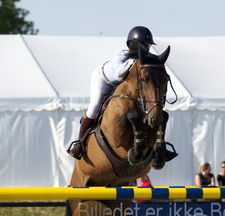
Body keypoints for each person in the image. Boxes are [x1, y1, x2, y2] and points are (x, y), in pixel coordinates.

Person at [67, 26, 177, 161]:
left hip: (123, 85)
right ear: (136, 44)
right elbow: (119, 73)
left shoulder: (144, 59)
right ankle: (80, 143)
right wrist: (135, 63)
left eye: (148, 45)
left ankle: (158, 144)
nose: (148, 48)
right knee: (94, 107)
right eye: (146, 45)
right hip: (105, 80)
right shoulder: (121, 56)